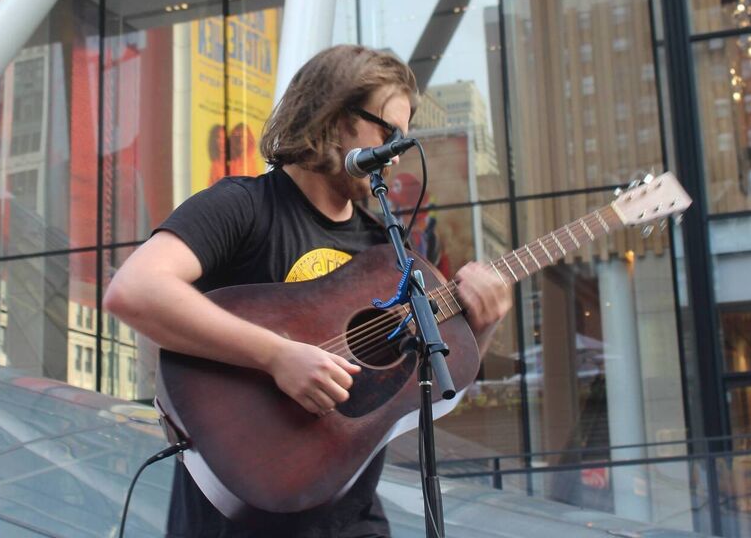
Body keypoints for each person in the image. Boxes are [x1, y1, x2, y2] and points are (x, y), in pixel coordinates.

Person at [103, 44, 512, 538]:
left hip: (351, 519)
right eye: (387, 131)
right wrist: (278, 356)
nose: (396, 150)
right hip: (235, 520)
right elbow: (135, 289)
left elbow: (429, 391)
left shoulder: (386, 248)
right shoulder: (244, 206)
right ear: (335, 119)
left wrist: (482, 321)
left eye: (403, 139)